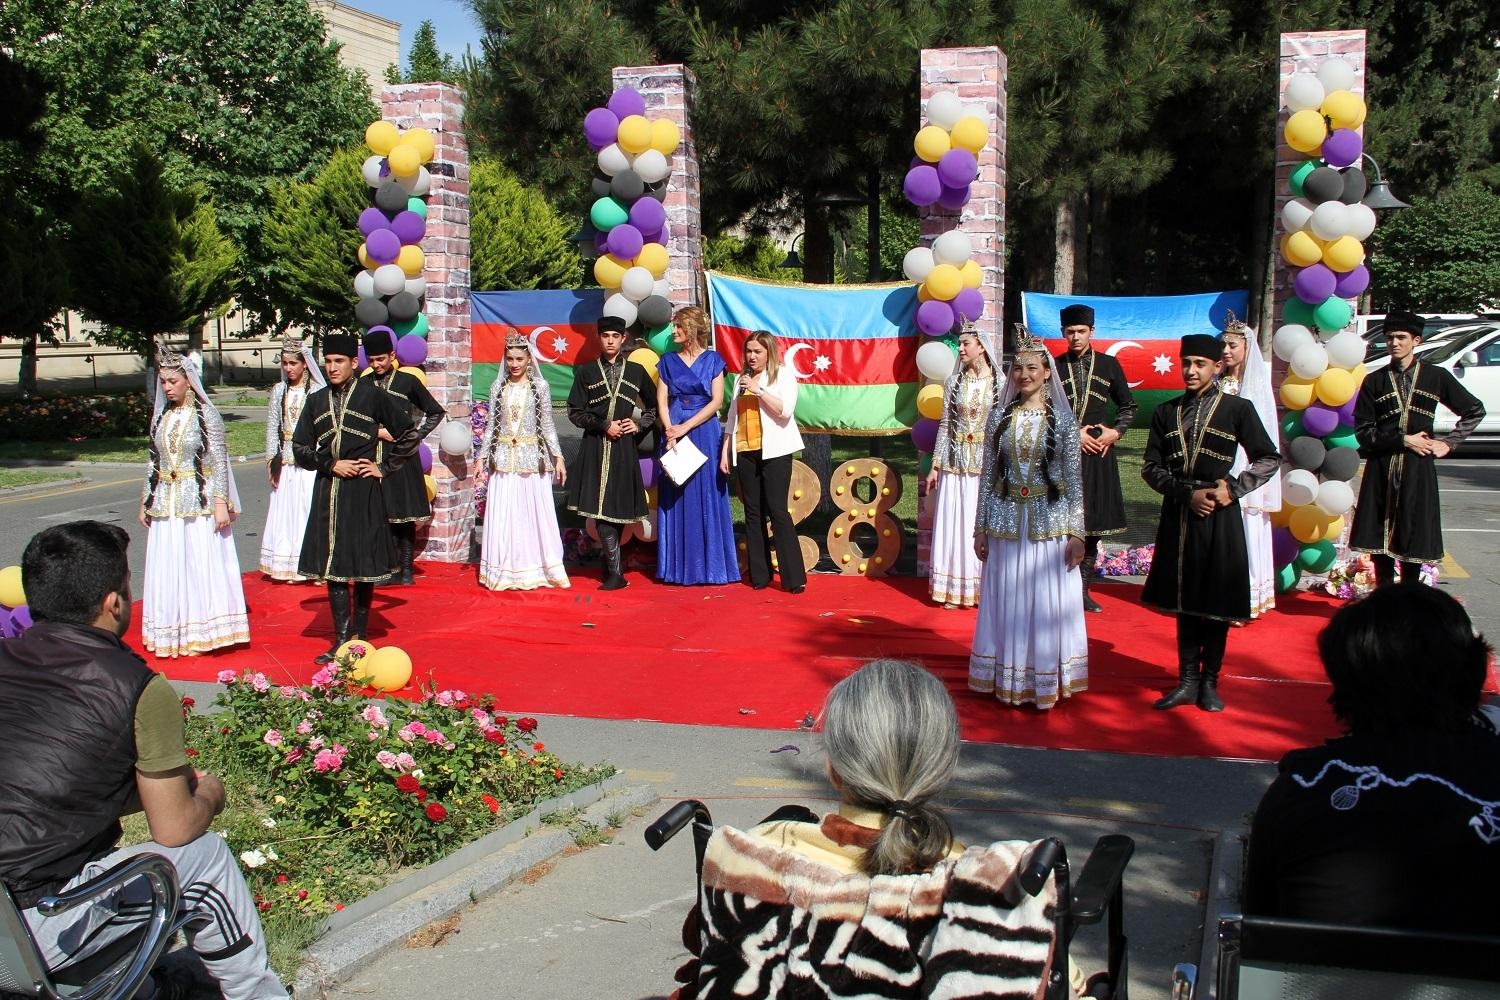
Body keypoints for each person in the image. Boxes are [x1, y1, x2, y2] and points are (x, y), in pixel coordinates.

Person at [0, 521, 287, 999]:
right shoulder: (136, 687)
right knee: (204, 858)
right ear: (114, 602)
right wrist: (210, 794)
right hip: (27, 934)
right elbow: (174, 829)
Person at [1243, 585, 1500, 932]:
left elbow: (1261, 926)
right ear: (1474, 669)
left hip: (1319, 982)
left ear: (1343, 681)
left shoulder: (1303, 788)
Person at [1141, 334, 1280, 712]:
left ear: (1218, 367)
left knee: (1216, 600)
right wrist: (1187, 495)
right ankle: (1186, 680)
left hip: (1220, 513)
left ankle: (1209, 683)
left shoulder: (1238, 409)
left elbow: (1268, 457)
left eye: (1200, 363)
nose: (1191, 370)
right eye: (1187, 362)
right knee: (1185, 600)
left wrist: (1233, 490)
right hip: (1181, 510)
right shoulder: (1165, 412)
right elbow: (1150, 468)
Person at [969, 330, 1088, 710]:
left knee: (1043, 602)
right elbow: (988, 475)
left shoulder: (1065, 423)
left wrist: (1077, 533)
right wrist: (980, 528)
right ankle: (1006, 676)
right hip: (1005, 523)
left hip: (1049, 523)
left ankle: (1042, 678)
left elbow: (1072, 481)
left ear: (1047, 372)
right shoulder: (999, 418)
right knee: (1009, 599)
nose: (1024, 374)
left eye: (1031, 367)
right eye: (1017, 367)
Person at [293, 332, 419, 664]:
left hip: (363, 490)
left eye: (339, 361)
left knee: (362, 565)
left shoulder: (372, 396)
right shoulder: (316, 400)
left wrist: (384, 467)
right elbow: (300, 448)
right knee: (334, 566)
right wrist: (330, 463)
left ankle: (359, 639)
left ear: (353, 363)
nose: (332, 367)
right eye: (328, 361)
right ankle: (339, 641)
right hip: (328, 491)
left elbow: (408, 433)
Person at [1349, 309, 1485, 587]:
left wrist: (1449, 442)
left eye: (1401, 337)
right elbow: (1363, 432)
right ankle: (1386, 602)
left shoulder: (1436, 377)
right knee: (1380, 544)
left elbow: (1474, 410)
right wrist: (1403, 439)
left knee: (1413, 539)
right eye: (1389, 338)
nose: (1394, 343)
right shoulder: (1374, 381)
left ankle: (1409, 602)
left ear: (1417, 341)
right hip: (1382, 469)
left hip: (1417, 469)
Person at [138, 342, 249, 658]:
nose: (167, 387)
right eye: (163, 382)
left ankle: (202, 632)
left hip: (197, 505)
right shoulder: (161, 418)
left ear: (187, 379)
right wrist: (146, 500)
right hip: (166, 503)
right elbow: (152, 461)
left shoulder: (206, 415)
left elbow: (217, 460)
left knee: (196, 564)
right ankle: (170, 629)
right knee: (168, 565)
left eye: (172, 381)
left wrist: (219, 503)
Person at [1055, 303, 1136, 613]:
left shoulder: (1109, 364)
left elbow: (1128, 407)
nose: (1075, 337)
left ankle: (1083, 589)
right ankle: (1061, 587)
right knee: (1063, 522)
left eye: (1081, 331)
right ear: (1063, 333)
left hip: (1099, 454)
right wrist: (1074, 434)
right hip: (1064, 454)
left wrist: (1115, 433)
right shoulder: (1055, 365)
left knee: (1094, 523)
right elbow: (1047, 411)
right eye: (1070, 331)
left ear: (1092, 332)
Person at [567, 315, 658, 590]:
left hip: (623, 449)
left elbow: (654, 407)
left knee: (616, 507)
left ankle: (613, 571)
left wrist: (639, 423)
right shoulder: (586, 372)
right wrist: (603, 425)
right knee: (601, 509)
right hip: (596, 445)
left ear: (623, 339)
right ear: (599, 338)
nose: (610, 340)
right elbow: (574, 412)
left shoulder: (636, 372)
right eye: (605, 336)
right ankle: (615, 573)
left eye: (615, 336)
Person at [477, 332, 569, 590]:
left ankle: (538, 567)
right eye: (510, 359)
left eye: (519, 358)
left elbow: (548, 425)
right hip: (504, 460)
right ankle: (505, 570)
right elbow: (492, 425)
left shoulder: (540, 387)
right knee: (506, 515)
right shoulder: (499, 387)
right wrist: (482, 457)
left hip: (533, 459)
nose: (514, 364)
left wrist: (558, 457)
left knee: (533, 515)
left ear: (529, 359)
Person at [655, 305, 739, 585]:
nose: (674, 331)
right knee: (677, 491)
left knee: (707, 493)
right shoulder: (667, 361)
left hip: (703, 430)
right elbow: (662, 399)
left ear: (691, 329)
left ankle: (712, 567)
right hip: (674, 428)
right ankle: (677, 568)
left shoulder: (714, 360)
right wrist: (670, 430)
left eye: (678, 326)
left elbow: (717, 401)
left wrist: (685, 427)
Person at [721, 330, 806, 594]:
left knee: (778, 512)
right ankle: (760, 575)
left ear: (769, 352)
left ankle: (794, 578)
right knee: (752, 512)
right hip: (746, 450)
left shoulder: (782, 375)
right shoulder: (740, 379)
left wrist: (760, 390)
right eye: (748, 351)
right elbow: (732, 417)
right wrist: (725, 451)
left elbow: (785, 410)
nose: (751, 356)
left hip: (776, 451)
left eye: (757, 351)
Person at [925, 327, 1002, 608]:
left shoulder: (1001, 383)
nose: (961, 349)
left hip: (985, 465)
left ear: (981, 346)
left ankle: (983, 587)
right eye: (960, 344)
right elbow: (945, 424)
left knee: (977, 522)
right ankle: (953, 589)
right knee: (954, 524)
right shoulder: (953, 381)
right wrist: (935, 465)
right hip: (955, 463)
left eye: (966, 343)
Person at [364, 329, 445, 586]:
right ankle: (388, 568)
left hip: (403, 457)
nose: (377, 365)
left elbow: (434, 412)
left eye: (381, 359)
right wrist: (378, 432)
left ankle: (406, 570)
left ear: (392, 355)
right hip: (374, 456)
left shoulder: (407, 382)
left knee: (404, 515)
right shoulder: (362, 385)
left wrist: (414, 435)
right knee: (380, 514)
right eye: (372, 360)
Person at [1217, 314, 1281, 618]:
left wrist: (1244, 473)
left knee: (1246, 530)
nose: (1226, 351)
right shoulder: (1218, 383)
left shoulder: (1256, 386)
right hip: (1219, 467)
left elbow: (1263, 434)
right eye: (1223, 345)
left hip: (1245, 470)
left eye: (1232, 345)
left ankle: (1247, 597)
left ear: (1246, 346)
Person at [260, 334, 324, 582]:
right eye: (285, 364)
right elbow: (272, 426)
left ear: (304, 364)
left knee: (307, 509)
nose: (288, 368)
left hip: (308, 459)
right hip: (285, 459)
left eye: (293, 364)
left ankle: (313, 565)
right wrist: (270, 460)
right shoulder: (279, 390)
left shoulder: (317, 390)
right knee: (285, 512)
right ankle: (287, 563)